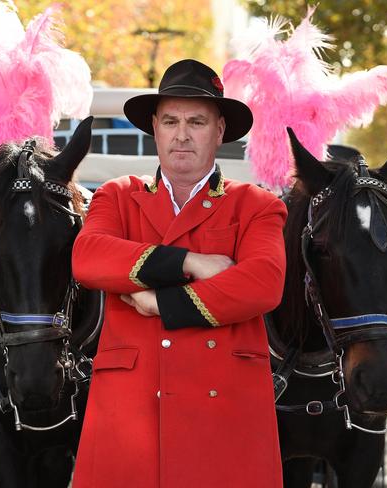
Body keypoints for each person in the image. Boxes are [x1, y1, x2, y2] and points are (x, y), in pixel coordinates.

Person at [71, 59, 287, 488]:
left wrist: (161, 302)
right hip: (131, 410)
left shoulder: (257, 205)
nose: (182, 134)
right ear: (154, 127)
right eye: (170, 120)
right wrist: (192, 262)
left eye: (196, 122)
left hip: (223, 408)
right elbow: (89, 258)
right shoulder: (117, 195)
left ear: (220, 131)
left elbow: (263, 282)